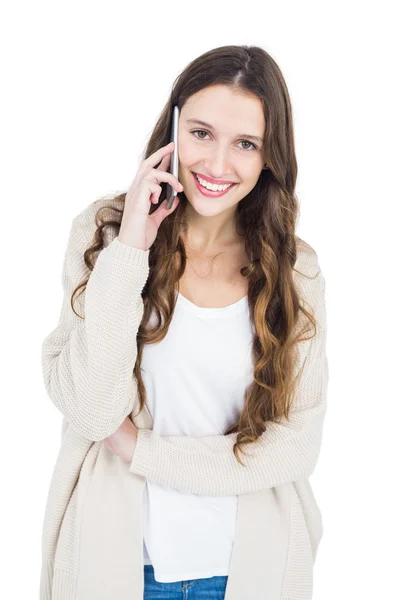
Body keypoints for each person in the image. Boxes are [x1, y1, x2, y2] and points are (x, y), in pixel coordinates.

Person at [39, 44, 329, 600]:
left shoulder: (296, 271)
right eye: (200, 134)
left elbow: (294, 446)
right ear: (171, 129)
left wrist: (141, 450)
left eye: (245, 144)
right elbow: (94, 407)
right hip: (122, 563)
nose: (217, 166)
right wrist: (131, 249)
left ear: (270, 156)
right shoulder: (106, 238)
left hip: (247, 568)